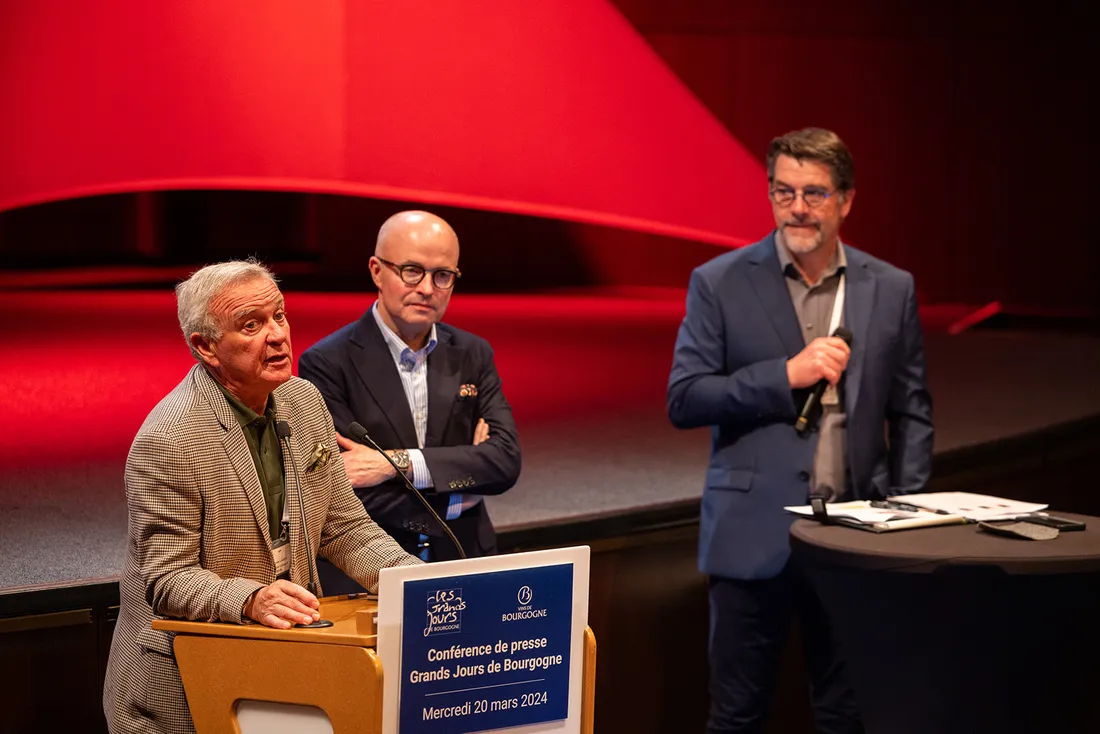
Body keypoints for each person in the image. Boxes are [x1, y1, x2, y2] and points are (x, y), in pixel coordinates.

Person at [667, 127, 933, 733]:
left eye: (814, 193)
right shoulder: (720, 281)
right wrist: (782, 375)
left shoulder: (890, 288)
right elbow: (684, 398)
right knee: (736, 716)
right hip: (750, 537)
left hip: (857, 538)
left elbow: (912, 410)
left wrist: (905, 513)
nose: (797, 208)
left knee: (847, 713)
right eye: (783, 191)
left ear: (846, 200)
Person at [103, 259, 421, 733]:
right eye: (251, 325)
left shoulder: (303, 400)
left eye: (280, 316)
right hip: (185, 687)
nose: (277, 335)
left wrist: (412, 581)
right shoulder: (170, 438)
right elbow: (167, 580)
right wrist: (251, 598)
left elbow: (345, 527)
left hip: (284, 672)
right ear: (206, 347)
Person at [299, 210, 521, 590]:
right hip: (371, 570)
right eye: (411, 271)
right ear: (376, 271)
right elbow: (344, 487)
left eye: (442, 276)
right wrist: (459, 485)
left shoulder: (472, 353)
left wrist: (394, 464)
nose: (427, 288)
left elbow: (504, 461)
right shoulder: (326, 362)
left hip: (467, 559)